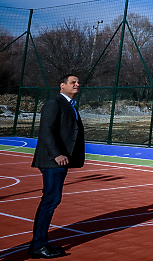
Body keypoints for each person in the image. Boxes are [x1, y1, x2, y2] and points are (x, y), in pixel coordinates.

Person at [29, 74, 85, 259]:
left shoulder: (70, 105)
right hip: (53, 161)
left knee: (52, 200)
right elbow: (47, 130)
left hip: (60, 161)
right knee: (50, 200)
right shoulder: (55, 103)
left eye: (78, 82)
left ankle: (40, 243)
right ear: (62, 86)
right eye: (73, 82)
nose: (77, 84)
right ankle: (38, 245)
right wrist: (57, 154)